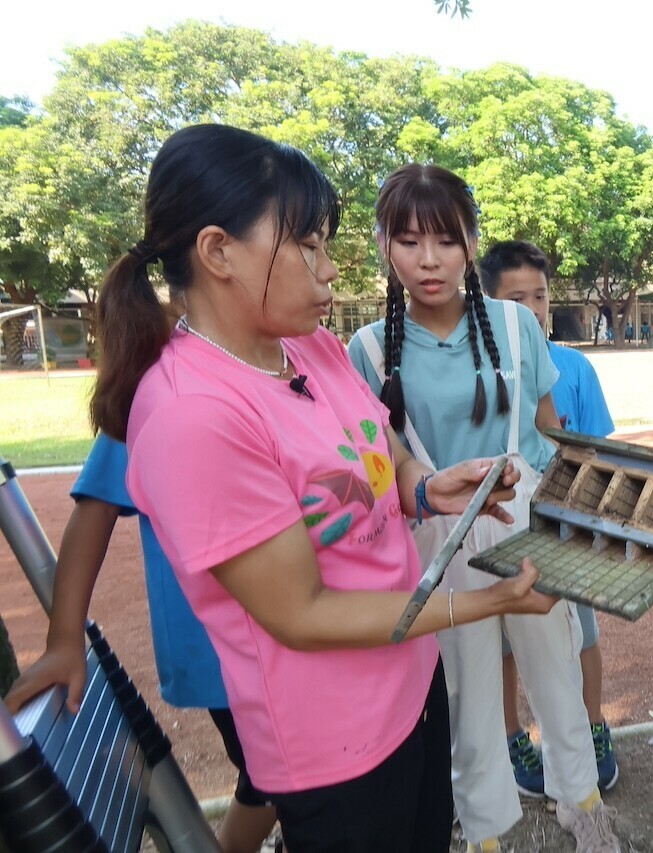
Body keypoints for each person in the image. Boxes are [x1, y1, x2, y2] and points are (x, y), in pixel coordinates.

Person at [84, 123, 554, 852]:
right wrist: (484, 603)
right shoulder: (193, 415)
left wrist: (428, 489)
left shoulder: (309, 346)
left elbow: (381, 448)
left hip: (410, 684)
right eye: (307, 244)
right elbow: (301, 613)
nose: (330, 268)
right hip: (335, 746)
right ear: (217, 252)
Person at [348, 165, 620, 853]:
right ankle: (487, 828)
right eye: (409, 241)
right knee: (465, 690)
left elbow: (550, 432)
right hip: (437, 534)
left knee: (555, 666)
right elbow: (382, 462)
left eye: (446, 237)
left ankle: (582, 806)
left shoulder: (513, 323)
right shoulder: (370, 347)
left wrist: (575, 520)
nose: (429, 258)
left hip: (524, 515)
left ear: (472, 241)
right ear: (385, 246)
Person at [3, 434, 278, 853]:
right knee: (276, 780)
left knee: (281, 781)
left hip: (298, 636)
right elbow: (97, 504)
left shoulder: (289, 371)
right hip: (222, 656)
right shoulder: (154, 380)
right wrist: (64, 638)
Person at [477, 239, 619, 796]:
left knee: (581, 634)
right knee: (506, 643)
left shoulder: (575, 367)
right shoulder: (479, 368)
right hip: (500, 530)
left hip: (566, 529)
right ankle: (514, 738)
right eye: (517, 298)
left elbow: (593, 450)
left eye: (540, 295)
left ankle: (593, 725)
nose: (533, 309)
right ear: (488, 304)